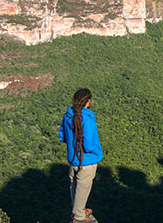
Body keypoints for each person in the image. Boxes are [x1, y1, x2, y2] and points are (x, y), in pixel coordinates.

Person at [59, 88, 103, 223]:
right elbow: (89, 145)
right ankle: (79, 216)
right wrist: (97, 149)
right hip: (87, 160)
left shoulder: (68, 115)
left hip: (73, 159)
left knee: (74, 185)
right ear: (87, 102)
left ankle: (78, 209)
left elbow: (62, 136)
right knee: (83, 187)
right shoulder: (87, 119)